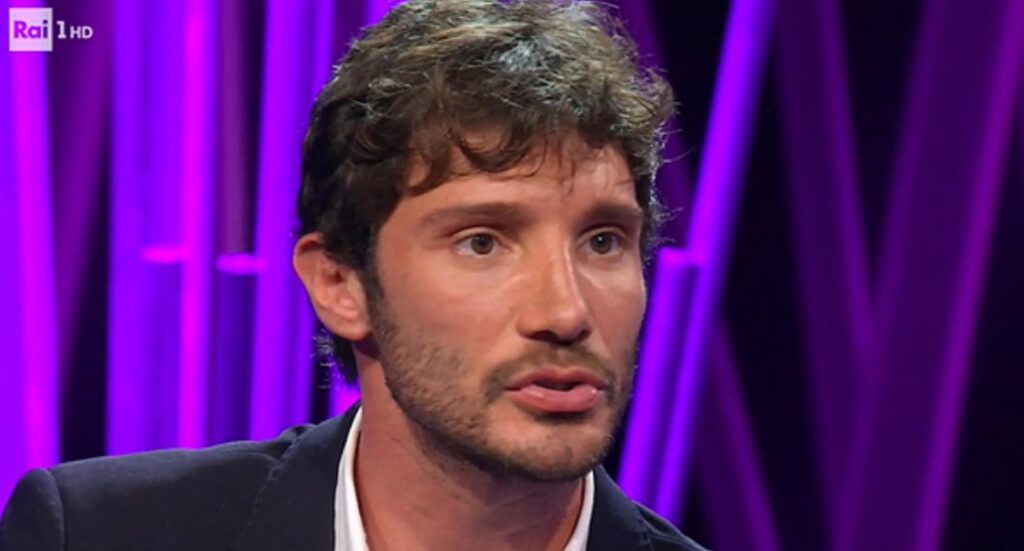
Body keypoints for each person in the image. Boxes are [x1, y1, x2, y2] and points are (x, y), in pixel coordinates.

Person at [0, 1, 706, 549]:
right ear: (341, 285)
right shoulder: (96, 533)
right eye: (482, 242)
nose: (566, 311)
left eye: (603, 241)